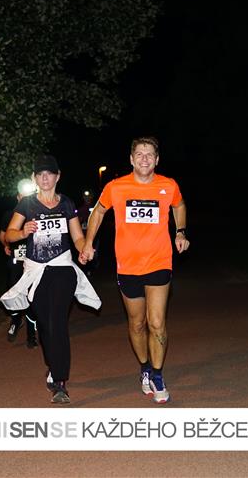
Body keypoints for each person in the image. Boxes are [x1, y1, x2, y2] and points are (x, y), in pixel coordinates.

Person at [80, 136, 190, 404]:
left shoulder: (168, 185)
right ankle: (145, 367)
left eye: (149, 154)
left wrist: (180, 231)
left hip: (159, 261)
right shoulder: (116, 187)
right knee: (137, 323)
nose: (144, 159)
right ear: (131, 159)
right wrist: (88, 243)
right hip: (128, 265)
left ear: (157, 160)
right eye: (139, 154)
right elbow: (98, 212)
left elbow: (179, 205)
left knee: (157, 323)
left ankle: (158, 375)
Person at [1, 154, 101, 404]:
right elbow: (9, 235)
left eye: (49, 173)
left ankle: (60, 382)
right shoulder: (27, 204)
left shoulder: (66, 203)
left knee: (58, 323)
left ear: (58, 176)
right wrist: (22, 232)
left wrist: (84, 249)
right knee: (45, 325)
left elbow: (77, 236)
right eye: (40, 174)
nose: (45, 178)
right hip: (36, 272)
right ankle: (53, 366)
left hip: (61, 269)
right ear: (34, 178)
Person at [0, 192, 38, 348]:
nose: (25, 199)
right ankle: (15, 320)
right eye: (22, 195)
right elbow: (3, 235)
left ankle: (31, 335)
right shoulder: (9, 215)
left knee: (31, 297)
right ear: (17, 197)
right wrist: (6, 245)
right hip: (16, 261)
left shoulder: (38, 214)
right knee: (13, 292)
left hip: (33, 263)